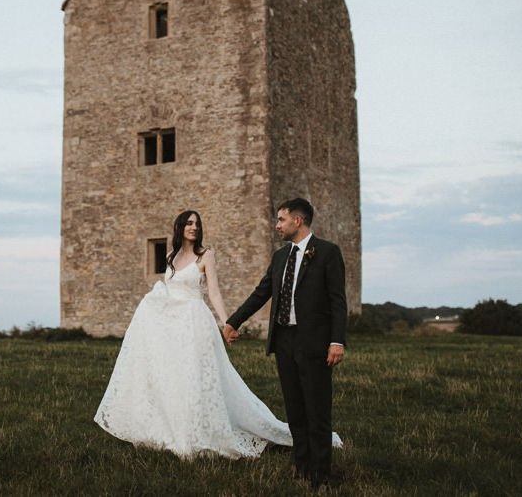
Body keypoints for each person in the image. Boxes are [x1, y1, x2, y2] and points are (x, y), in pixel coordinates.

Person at [94, 209, 294, 458]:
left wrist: (227, 323)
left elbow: (214, 292)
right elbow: (168, 290)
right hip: (169, 327)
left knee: (195, 375)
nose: (193, 227)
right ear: (180, 227)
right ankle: (169, 427)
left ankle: (199, 431)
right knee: (171, 376)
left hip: (194, 322)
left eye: (196, 224)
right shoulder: (170, 257)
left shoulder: (205, 255)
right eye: (189, 223)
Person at [224, 198, 347, 491]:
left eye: (281, 220)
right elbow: (261, 293)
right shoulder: (280, 257)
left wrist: (337, 341)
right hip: (284, 341)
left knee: (317, 410)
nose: (277, 225)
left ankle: (321, 475)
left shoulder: (328, 253)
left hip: (316, 344)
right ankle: (302, 468)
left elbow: (337, 302)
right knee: (295, 410)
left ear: (298, 220)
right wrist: (233, 321)